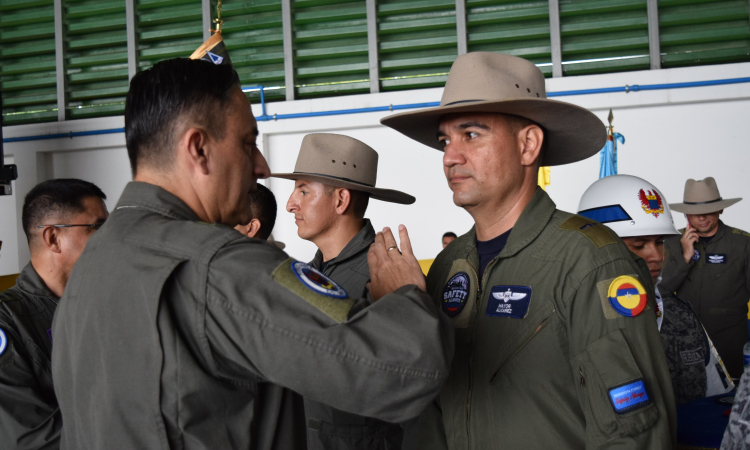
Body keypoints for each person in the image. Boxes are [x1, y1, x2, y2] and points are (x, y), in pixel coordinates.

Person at [51, 58, 453, 449]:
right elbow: (406, 370)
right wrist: (406, 298)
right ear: (199, 149)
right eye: (248, 144)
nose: (261, 167)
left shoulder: (93, 262)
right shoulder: (221, 266)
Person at [381, 52, 676, 449]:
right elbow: (429, 417)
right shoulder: (449, 269)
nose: (450, 157)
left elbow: (633, 433)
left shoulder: (590, 261)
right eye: (445, 140)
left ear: (528, 145)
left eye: (471, 135)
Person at [274, 132, 415, 450]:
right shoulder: (307, 275)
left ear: (340, 200)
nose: (290, 204)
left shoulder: (382, 274)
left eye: (303, 190)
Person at [578, 174, 733, 405]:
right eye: (639, 245)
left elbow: (719, 401)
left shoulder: (682, 316)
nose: (656, 256)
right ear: (597, 246)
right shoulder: (572, 320)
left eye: (659, 241)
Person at [0, 178, 108, 449]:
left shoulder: (105, 304)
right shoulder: (9, 323)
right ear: (53, 238)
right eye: (98, 227)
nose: (111, 240)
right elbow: (31, 436)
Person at [661, 177, 749, 378]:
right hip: (683, 343)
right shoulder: (671, 243)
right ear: (685, 214)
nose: (701, 218)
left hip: (730, 343)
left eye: (707, 211)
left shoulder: (742, 244)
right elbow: (660, 292)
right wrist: (685, 257)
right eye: (694, 213)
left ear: (720, 209)